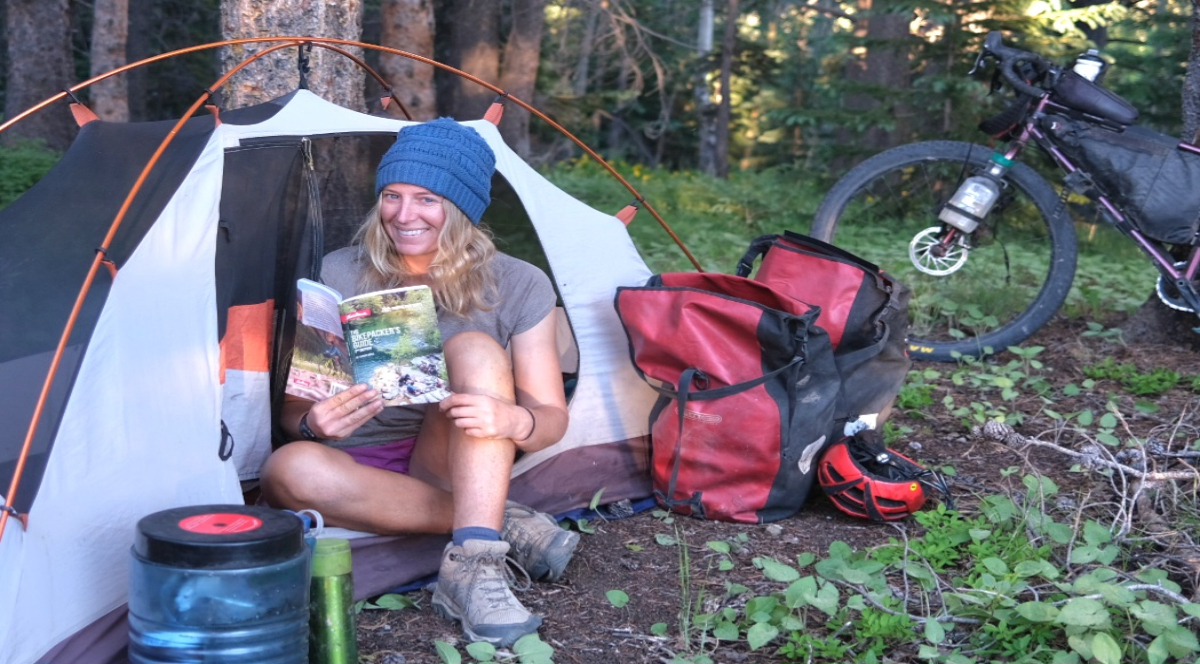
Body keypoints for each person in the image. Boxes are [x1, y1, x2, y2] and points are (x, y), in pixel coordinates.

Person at [261, 119, 577, 647]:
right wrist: (313, 424)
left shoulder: (520, 283)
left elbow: (550, 419)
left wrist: (515, 419)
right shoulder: (338, 271)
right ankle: (501, 519)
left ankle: (474, 566)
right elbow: (293, 410)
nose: (404, 215)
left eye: (427, 199)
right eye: (392, 196)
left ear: (462, 208)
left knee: (474, 347)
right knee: (287, 467)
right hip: (350, 467)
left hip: (453, 457)